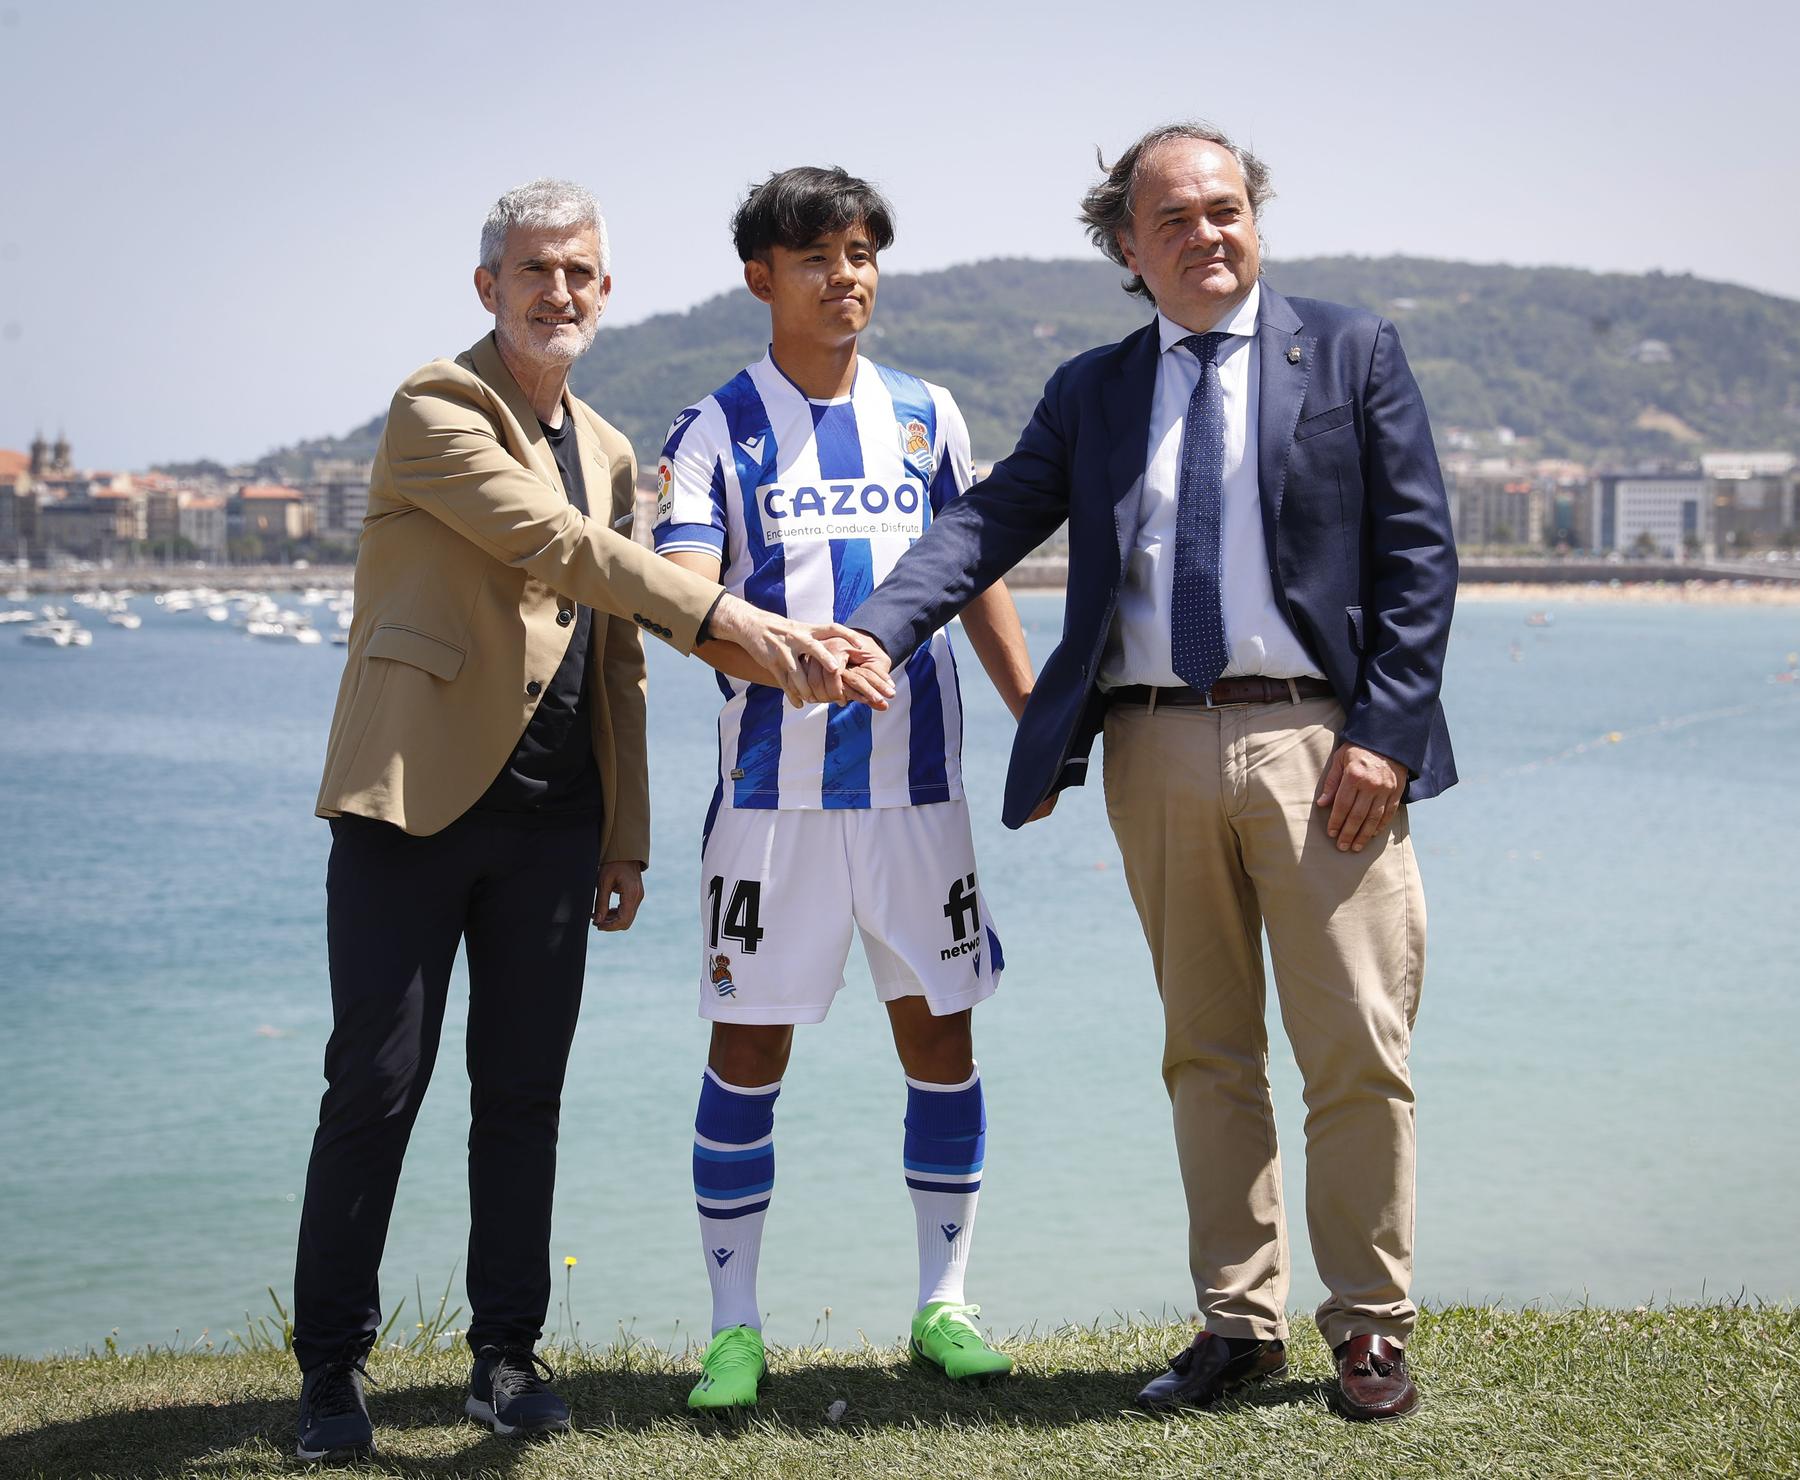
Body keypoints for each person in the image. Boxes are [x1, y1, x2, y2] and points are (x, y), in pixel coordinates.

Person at [837, 124, 1457, 1421]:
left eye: (1226, 208)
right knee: (1206, 1051)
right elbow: (987, 522)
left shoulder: (1351, 351)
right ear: (1128, 245)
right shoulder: (1095, 389)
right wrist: (875, 630)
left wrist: (1385, 740)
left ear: (1256, 216)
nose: (1207, 233)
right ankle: (1241, 1321)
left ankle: (1371, 1327)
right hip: (1152, 745)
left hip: (1320, 747)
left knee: (1353, 1045)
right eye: (1172, 218)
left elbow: (1419, 558)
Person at [292, 178, 876, 1463]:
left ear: (605, 294)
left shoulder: (611, 447)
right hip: (409, 803)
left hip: (555, 823)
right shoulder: (433, 407)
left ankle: (506, 1356)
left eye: (582, 274)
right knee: (376, 1086)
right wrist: (733, 622)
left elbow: (610, 655)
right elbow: (554, 547)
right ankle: (330, 1368)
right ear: (489, 285)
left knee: (521, 1094)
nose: (560, 291)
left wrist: (627, 834)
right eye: (535, 269)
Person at [652, 165, 1036, 1413]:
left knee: (940, 1036)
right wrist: (786, 655)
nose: (846, 275)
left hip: (920, 794)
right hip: (771, 801)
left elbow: (972, 567)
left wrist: (1031, 703)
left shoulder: (928, 416)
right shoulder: (711, 430)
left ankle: (943, 1304)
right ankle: (733, 1327)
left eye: (862, 251)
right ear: (761, 275)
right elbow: (685, 602)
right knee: (748, 1045)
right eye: (817, 256)